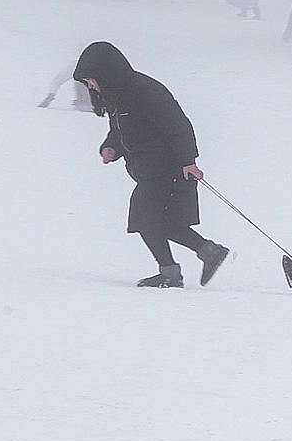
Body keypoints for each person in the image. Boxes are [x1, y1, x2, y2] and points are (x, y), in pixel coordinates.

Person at [75, 40, 228, 288]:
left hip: (168, 168)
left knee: (145, 218)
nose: (90, 85)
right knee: (162, 222)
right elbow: (121, 129)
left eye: (91, 79)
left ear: (106, 73)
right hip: (150, 170)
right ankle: (206, 252)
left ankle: (174, 271)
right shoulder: (118, 97)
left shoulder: (145, 91)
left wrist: (188, 161)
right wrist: (111, 147)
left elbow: (178, 125)